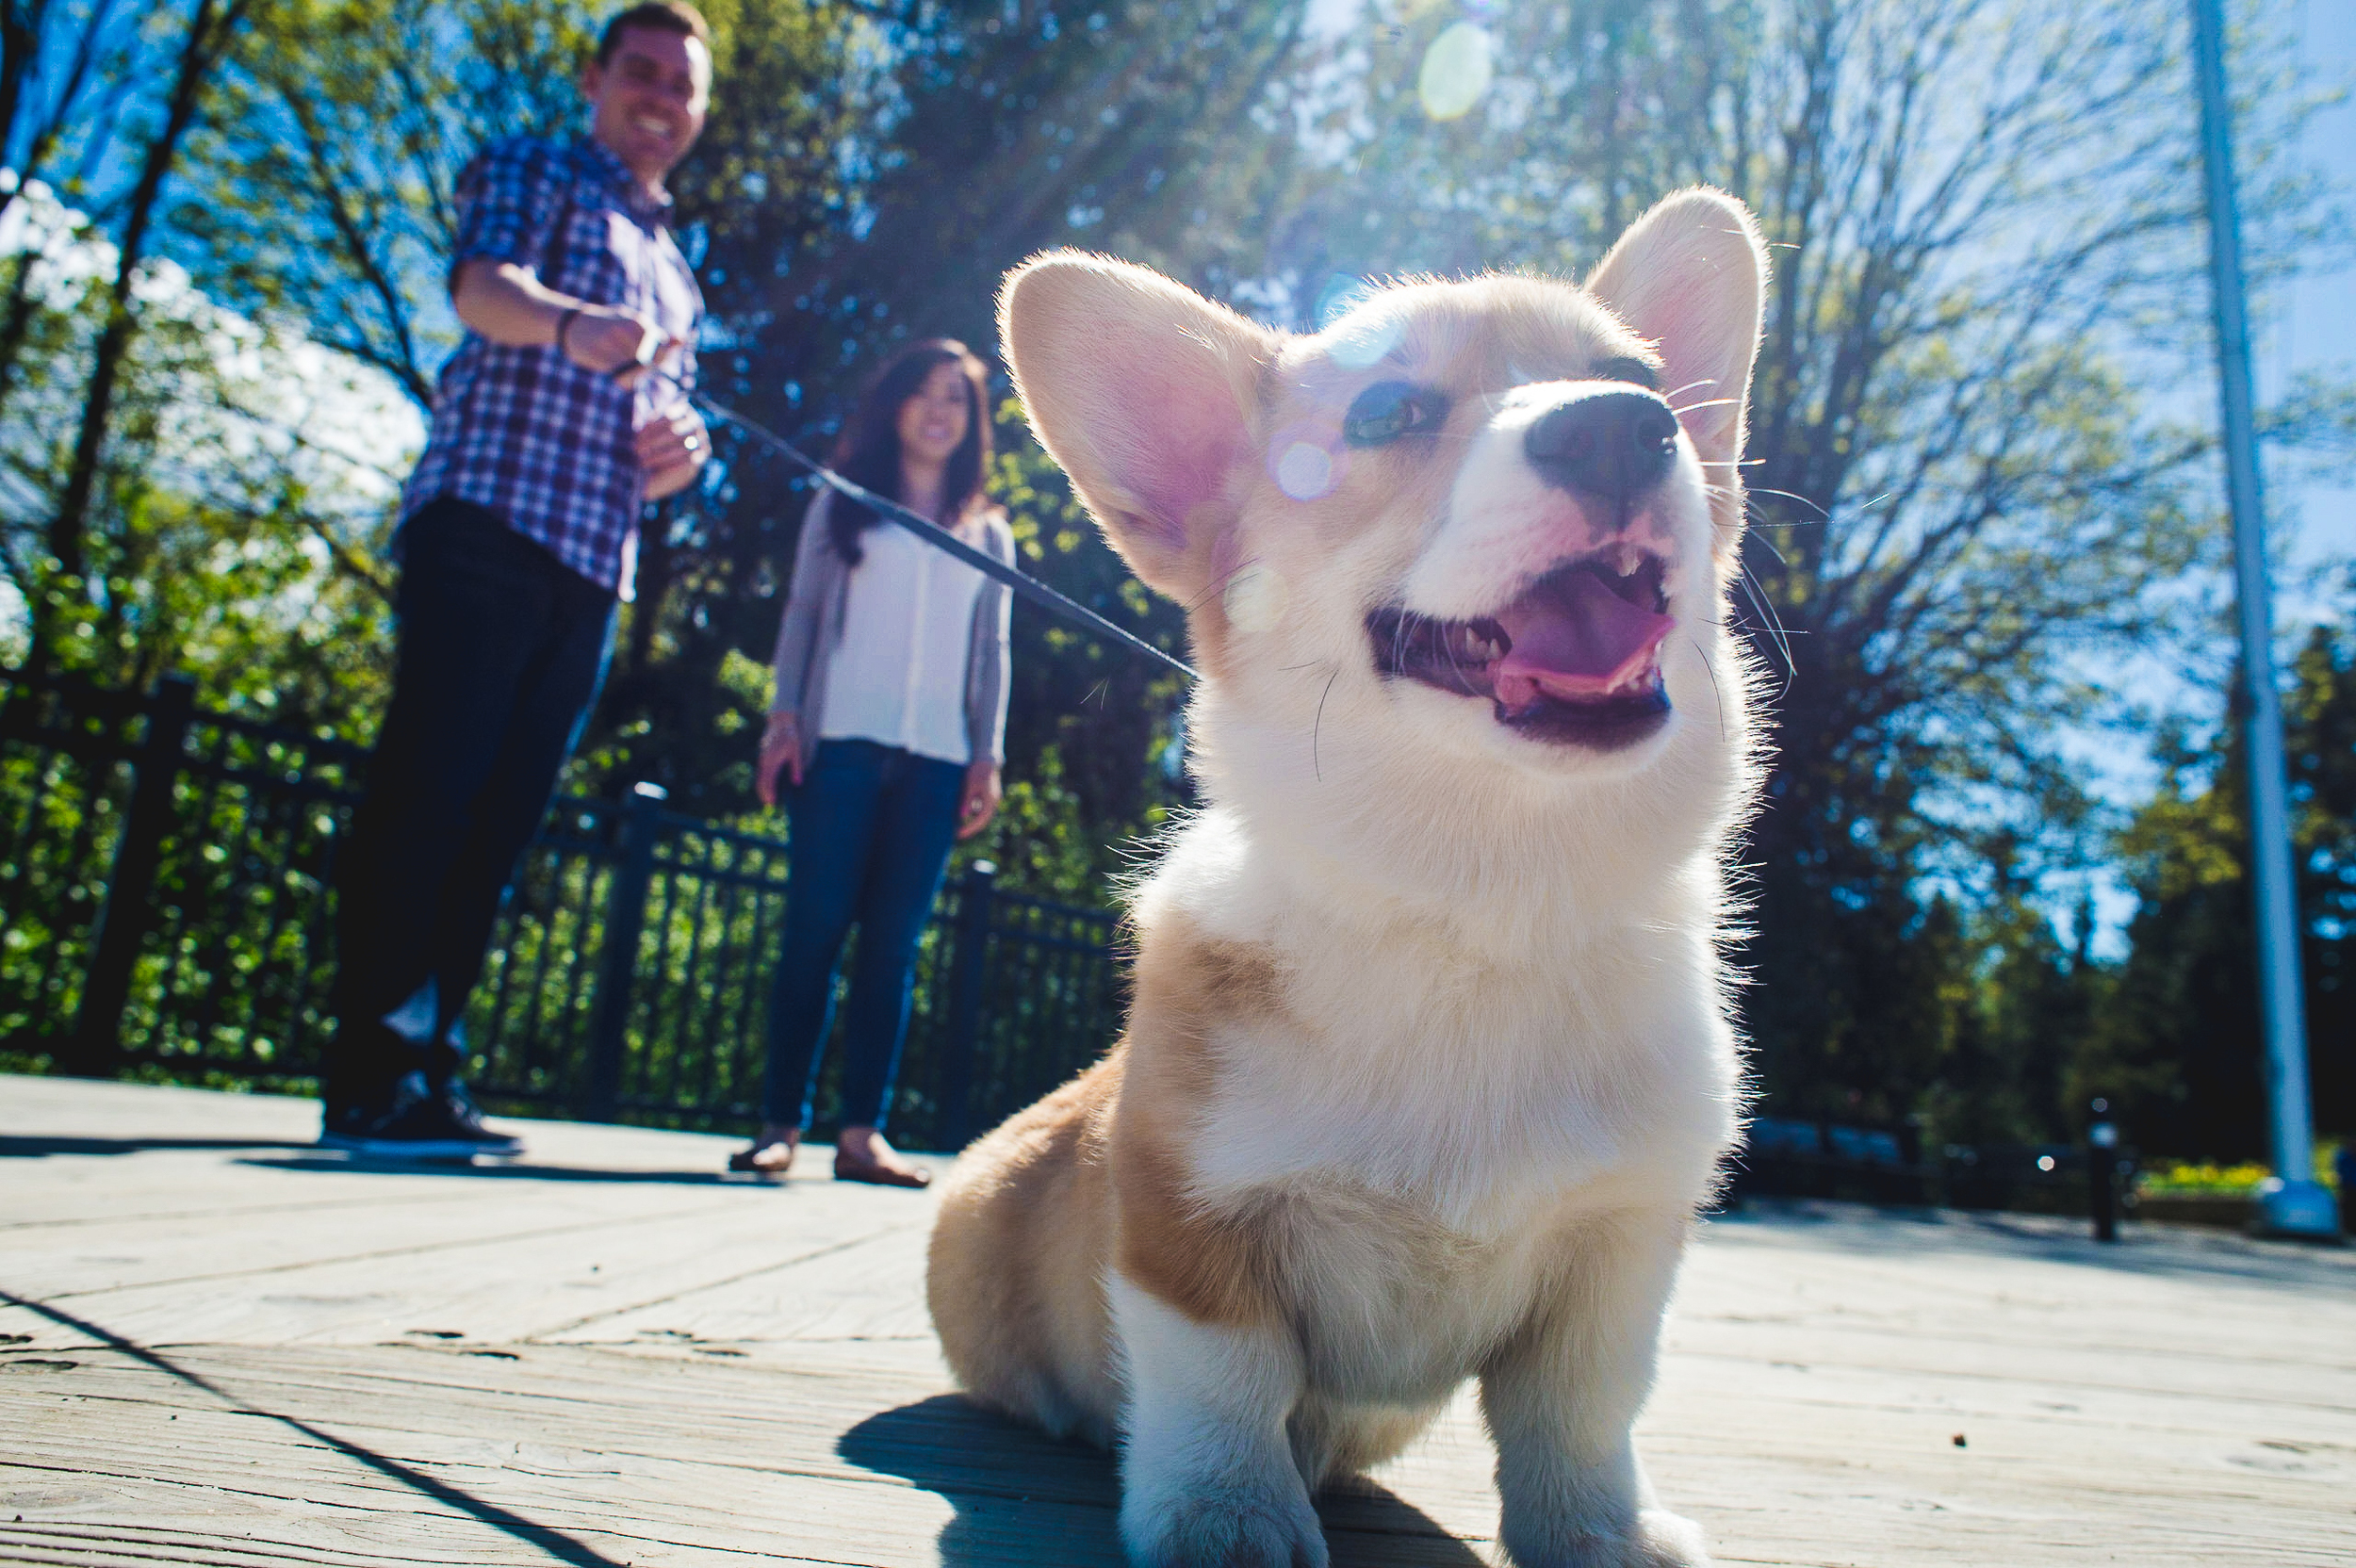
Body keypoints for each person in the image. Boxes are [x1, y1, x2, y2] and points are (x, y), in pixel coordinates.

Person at [320, 1, 715, 1157]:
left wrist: (680, 457)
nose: (660, 101)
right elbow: (480, 289)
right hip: (488, 519)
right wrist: (569, 323)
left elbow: (660, 433)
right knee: (429, 790)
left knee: (499, 823)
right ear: (596, 79)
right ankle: (370, 1065)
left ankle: (430, 1060)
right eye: (640, 73)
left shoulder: (679, 277)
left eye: (681, 88)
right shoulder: (536, 168)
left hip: (595, 560)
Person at [738, 339, 1014, 1186]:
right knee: (814, 933)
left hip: (937, 763)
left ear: (972, 425)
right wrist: (784, 719)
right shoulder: (844, 503)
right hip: (842, 747)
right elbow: (803, 616)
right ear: (895, 405)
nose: (939, 412)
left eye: (957, 400)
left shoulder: (989, 531)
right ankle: (782, 1125)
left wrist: (987, 755)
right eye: (925, 394)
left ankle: (862, 1135)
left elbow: (994, 649)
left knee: (893, 949)